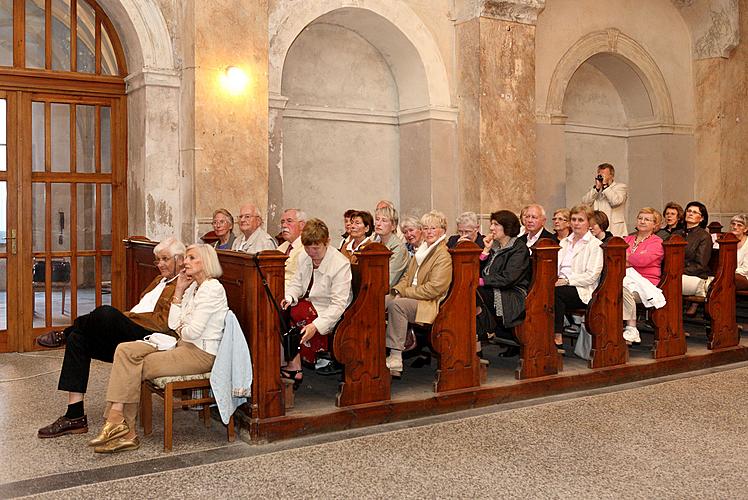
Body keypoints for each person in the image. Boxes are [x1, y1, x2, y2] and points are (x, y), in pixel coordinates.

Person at [36, 237, 185, 439]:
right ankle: (74, 415)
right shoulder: (159, 280)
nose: (160, 264)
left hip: (151, 336)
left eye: (165, 259)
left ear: (180, 259)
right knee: (78, 340)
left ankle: (65, 332)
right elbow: (140, 308)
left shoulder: (181, 285)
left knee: (106, 313)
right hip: (133, 328)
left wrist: (126, 319)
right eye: (157, 260)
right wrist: (127, 319)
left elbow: (164, 323)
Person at [89, 243, 228, 453]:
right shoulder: (192, 287)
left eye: (191, 258)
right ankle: (119, 424)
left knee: (135, 366)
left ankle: (122, 429)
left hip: (200, 353)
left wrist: (183, 325)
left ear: (205, 262)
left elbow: (191, 332)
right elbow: (174, 324)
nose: (185, 262)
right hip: (181, 345)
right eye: (185, 257)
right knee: (125, 351)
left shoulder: (212, 288)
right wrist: (179, 291)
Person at [280, 219, 353, 388]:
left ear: (327, 242)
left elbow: (338, 306)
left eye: (316, 248)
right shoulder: (304, 256)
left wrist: (315, 326)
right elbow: (296, 284)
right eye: (307, 248)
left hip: (329, 312)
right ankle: (293, 364)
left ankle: (294, 364)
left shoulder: (340, 263)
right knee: (281, 309)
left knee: (299, 313)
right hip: (309, 304)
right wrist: (289, 297)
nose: (311, 252)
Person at [386, 210, 452, 378]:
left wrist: (405, 294)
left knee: (397, 305)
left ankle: (395, 357)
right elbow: (407, 276)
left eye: (433, 228)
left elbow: (434, 289)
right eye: (426, 228)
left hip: (429, 303)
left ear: (443, 230)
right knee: (381, 300)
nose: (429, 232)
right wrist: (399, 290)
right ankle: (374, 351)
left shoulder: (442, 255)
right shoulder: (422, 250)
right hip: (413, 296)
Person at [476, 210, 531, 358]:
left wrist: (482, 281)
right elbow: (479, 270)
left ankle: (485, 330)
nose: (492, 228)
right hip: (492, 287)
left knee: (473, 293)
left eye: (496, 224)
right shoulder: (495, 246)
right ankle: (481, 337)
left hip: (512, 293)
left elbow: (509, 278)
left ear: (507, 227)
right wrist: (486, 250)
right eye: (491, 224)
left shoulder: (519, 248)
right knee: (467, 293)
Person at [553, 205, 604, 351]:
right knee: (539, 291)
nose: (576, 223)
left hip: (583, 289)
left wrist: (567, 280)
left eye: (580, 220)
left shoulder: (595, 245)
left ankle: (557, 336)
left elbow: (591, 276)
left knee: (557, 293)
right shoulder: (564, 242)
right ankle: (538, 335)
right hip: (559, 283)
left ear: (589, 223)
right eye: (573, 219)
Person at [622, 208, 665, 343]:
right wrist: (631, 258)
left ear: (655, 224)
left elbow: (643, 260)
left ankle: (631, 328)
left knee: (622, 291)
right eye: (640, 218)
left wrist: (628, 258)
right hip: (625, 277)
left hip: (647, 282)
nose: (642, 221)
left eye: (647, 219)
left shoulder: (656, 242)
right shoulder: (628, 238)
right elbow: (617, 257)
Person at [678, 201, 712, 315]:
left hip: (696, 275)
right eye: (689, 211)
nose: (690, 214)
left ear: (701, 218)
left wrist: (678, 271)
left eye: (694, 212)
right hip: (675, 273)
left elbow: (700, 265)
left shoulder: (704, 236)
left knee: (668, 282)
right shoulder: (677, 234)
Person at [581, 163, 629, 236]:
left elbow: (616, 202)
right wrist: (596, 189)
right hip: (598, 227)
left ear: (612, 176)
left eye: (604, 174)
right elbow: (585, 203)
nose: (601, 177)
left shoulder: (620, 187)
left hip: (614, 228)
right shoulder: (595, 189)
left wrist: (605, 186)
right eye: (600, 174)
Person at [374, 205, 409, 287]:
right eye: (377, 219)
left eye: (384, 221)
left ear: (393, 226)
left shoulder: (398, 248)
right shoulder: (375, 244)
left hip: (392, 292)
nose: (378, 224)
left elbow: (389, 281)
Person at [277, 208, 307, 286]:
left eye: (289, 221)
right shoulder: (281, 248)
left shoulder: (307, 248)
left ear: (302, 225)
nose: (284, 225)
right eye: (282, 222)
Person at [730, 213, 748, 291]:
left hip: (744, 277)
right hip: (729, 275)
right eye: (733, 224)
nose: (735, 227)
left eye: (739, 225)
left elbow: (745, 269)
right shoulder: (727, 241)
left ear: (745, 229)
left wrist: (728, 272)